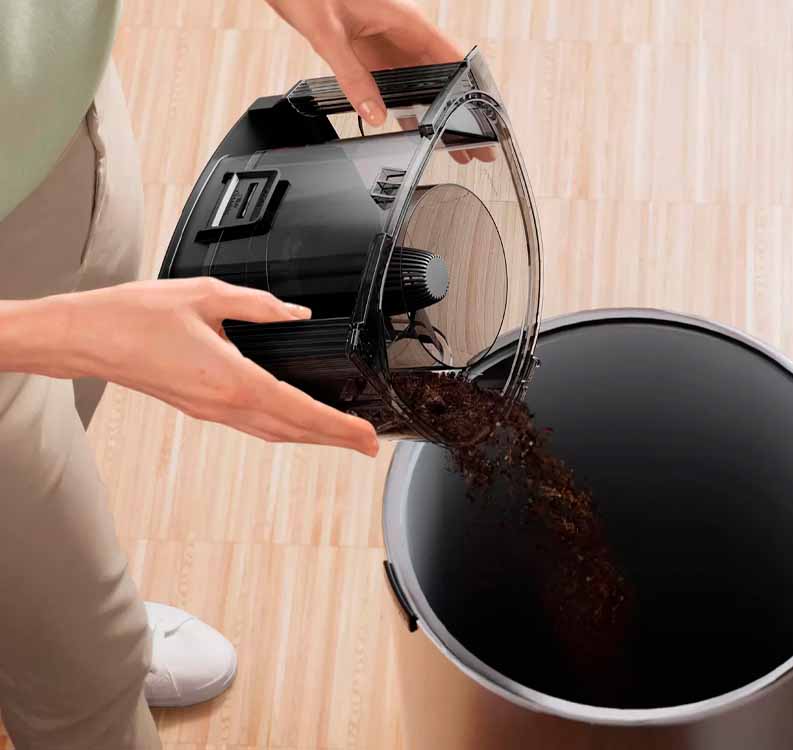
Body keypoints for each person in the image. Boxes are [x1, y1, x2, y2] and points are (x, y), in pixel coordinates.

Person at [0, 1, 464, 747]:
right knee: (83, 672)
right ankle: (80, 657)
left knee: (67, 419)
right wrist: (63, 334)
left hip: (60, 113)